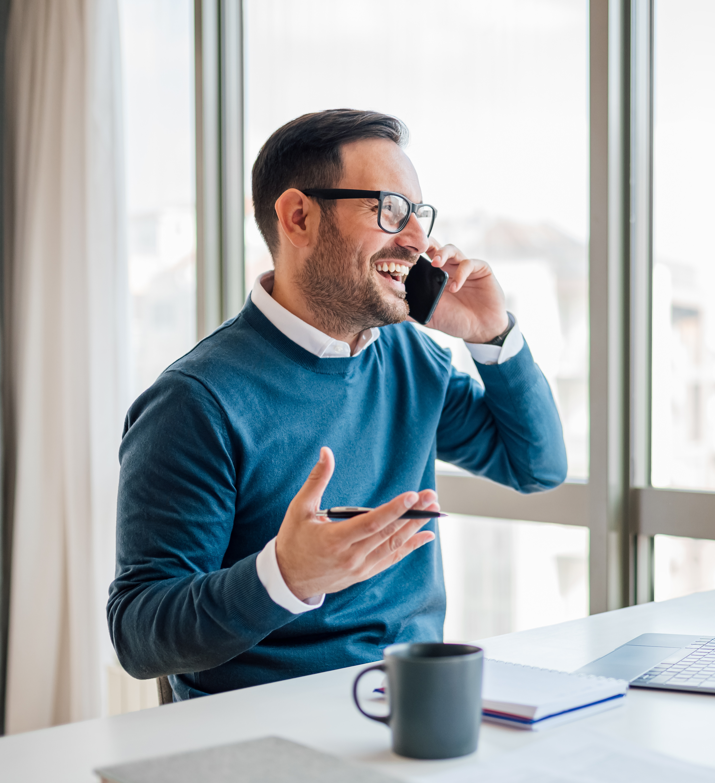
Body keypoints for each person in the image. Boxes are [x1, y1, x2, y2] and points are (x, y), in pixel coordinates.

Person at [108, 109, 566, 701]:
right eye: (389, 210)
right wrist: (284, 576)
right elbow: (139, 635)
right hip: (270, 731)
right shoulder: (195, 402)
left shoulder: (409, 358)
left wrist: (494, 335)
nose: (417, 241)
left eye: (419, 216)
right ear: (298, 217)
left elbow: (535, 466)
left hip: (414, 708)